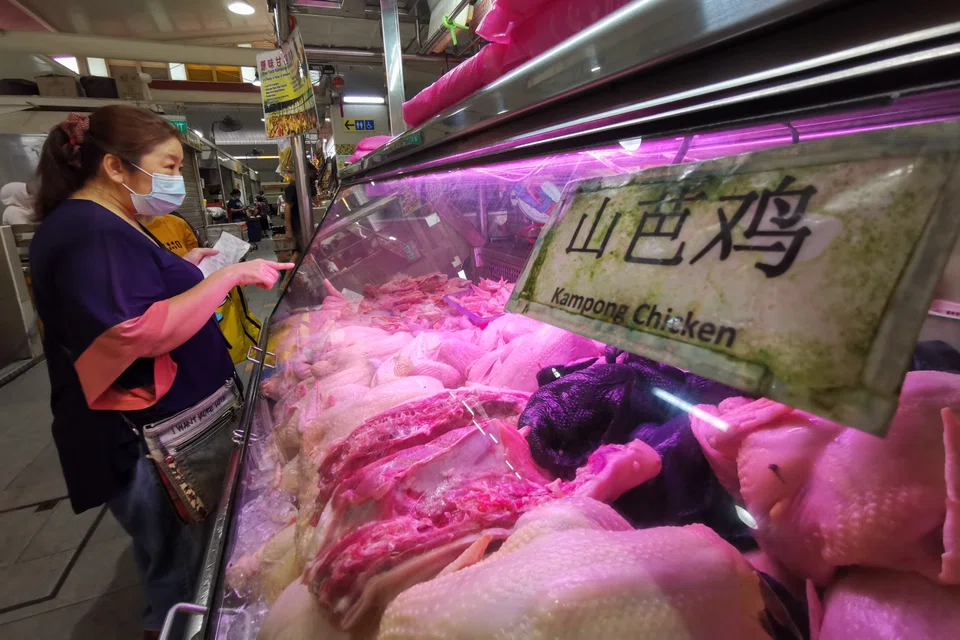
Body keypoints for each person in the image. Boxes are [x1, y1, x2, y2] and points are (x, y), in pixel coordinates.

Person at [29, 106, 292, 640]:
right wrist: (228, 278)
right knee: (180, 578)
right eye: (168, 167)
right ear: (116, 167)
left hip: (168, 426)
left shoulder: (114, 221)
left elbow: (132, 295)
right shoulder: (89, 227)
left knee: (181, 561)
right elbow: (134, 332)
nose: (175, 180)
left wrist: (189, 269)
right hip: (148, 437)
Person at [281, 163, 318, 286]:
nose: (315, 176)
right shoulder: (293, 186)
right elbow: (287, 207)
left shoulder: (308, 186)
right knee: (299, 252)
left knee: (302, 251)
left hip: (307, 223)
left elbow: (314, 200)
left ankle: (291, 280)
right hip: (299, 224)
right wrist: (289, 229)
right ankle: (286, 281)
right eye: (313, 173)